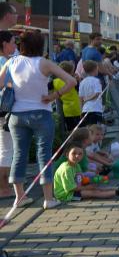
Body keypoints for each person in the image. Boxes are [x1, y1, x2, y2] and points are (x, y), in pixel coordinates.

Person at [1, 29, 76, 209]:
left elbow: (1, 84)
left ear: (22, 45)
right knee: (44, 155)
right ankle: (48, 199)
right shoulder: (44, 63)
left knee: (19, 154)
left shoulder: (11, 62)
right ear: (40, 46)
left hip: (17, 115)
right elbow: (71, 81)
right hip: (41, 113)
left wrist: (13, 86)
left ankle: (19, 197)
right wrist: (54, 95)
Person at [53, 144, 119, 203]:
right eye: (74, 153)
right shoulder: (66, 169)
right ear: (67, 155)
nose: (77, 156)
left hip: (75, 188)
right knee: (94, 192)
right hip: (66, 195)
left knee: (99, 188)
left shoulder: (76, 165)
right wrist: (88, 187)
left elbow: (81, 178)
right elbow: (70, 189)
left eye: (80, 154)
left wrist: (94, 180)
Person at [0, 30, 17, 198]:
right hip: (4, 111)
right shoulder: (5, 63)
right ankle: (4, 188)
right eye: (13, 42)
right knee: (6, 150)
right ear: (4, 44)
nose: (15, 46)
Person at [55, 61, 81, 131]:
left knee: (70, 129)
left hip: (66, 110)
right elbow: (79, 90)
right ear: (70, 72)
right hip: (76, 108)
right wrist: (78, 80)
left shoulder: (56, 81)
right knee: (79, 129)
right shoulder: (72, 80)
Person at [79, 60, 104, 126]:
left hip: (85, 110)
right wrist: (87, 99)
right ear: (94, 69)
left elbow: (80, 98)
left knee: (89, 129)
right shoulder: (96, 81)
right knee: (96, 128)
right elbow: (97, 93)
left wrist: (81, 111)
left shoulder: (82, 82)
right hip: (95, 109)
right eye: (97, 69)